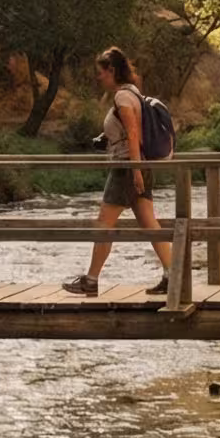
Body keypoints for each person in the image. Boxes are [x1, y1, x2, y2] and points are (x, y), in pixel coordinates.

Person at [64, 46, 173, 296]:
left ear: (112, 70)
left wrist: (134, 171)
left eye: (100, 72)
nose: (98, 77)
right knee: (149, 223)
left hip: (127, 167)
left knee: (104, 223)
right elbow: (128, 131)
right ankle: (172, 273)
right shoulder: (133, 92)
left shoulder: (123, 97)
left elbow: (133, 133)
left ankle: (90, 281)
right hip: (137, 164)